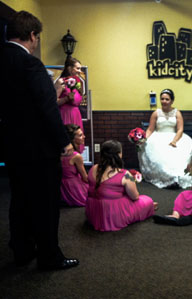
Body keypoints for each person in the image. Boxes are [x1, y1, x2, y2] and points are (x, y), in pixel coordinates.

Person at [0, 11, 79, 269]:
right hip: (38, 149)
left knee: (20, 198)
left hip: (11, 146)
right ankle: (49, 256)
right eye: (37, 38)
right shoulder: (30, 64)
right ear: (32, 35)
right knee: (45, 203)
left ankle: (22, 249)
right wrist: (64, 144)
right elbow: (46, 108)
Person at [86, 140, 157, 231]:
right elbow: (135, 197)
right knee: (147, 200)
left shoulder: (93, 168)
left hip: (93, 212)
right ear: (119, 154)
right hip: (112, 213)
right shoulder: (125, 174)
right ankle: (150, 206)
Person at [138, 88, 192, 189]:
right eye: (162, 99)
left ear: (172, 101)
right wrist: (143, 139)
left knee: (177, 153)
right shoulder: (156, 113)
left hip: (174, 137)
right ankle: (166, 178)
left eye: (167, 99)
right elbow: (150, 129)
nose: (164, 101)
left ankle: (176, 177)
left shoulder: (177, 113)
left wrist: (174, 141)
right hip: (158, 137)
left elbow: (180, 130)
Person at [56, 57, 85, 153]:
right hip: (65, 114)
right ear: (69, 68)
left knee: (77, 140)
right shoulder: (61, 82)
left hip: (76, 114)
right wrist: (66, 99)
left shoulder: (78, 82)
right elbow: (53, 102)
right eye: (77, 68)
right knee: (67, 140)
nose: (80, 71)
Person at [60, 124, 89, 207]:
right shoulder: (76, 156)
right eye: (80, 135)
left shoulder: (60, 152)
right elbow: (85, 178)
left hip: (62, 187)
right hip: (74, 188)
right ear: (72, 138)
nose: (84, 136)